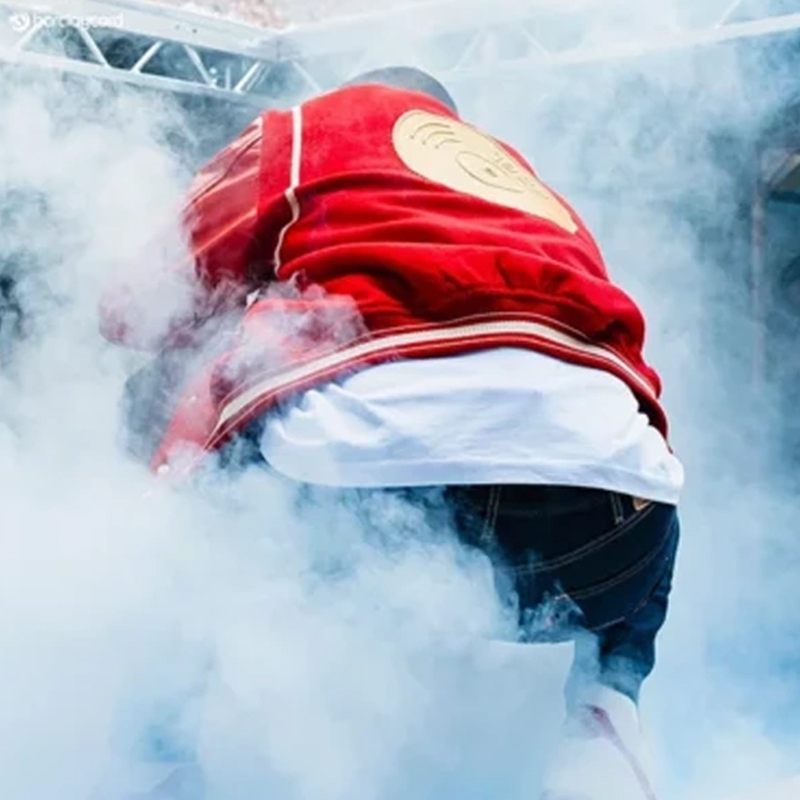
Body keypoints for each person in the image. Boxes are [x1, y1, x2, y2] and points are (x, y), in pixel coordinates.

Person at [101, 66, 684, 800]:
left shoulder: (311, 129)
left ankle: (159, 756)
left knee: (193, 493)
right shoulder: (528, 189)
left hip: (360, 495)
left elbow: (143, 298)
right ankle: (608, 709)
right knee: (644, 476)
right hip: (612, 540)